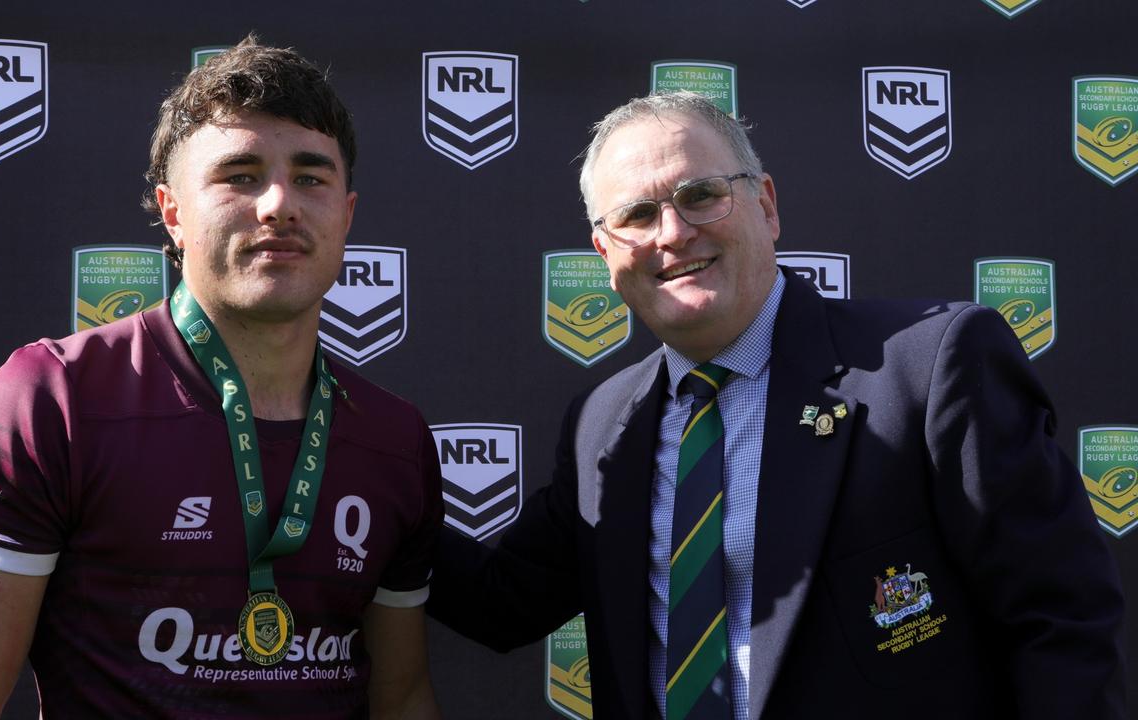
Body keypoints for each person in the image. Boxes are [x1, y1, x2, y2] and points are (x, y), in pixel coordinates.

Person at [427, 91, 1125, 719]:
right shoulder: (603, 421)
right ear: (606, 253)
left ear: (766, 204)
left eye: (700, 195)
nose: (672, 234)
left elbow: (1061, 622)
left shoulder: (934, 365)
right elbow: (503, 602)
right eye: (638, 215)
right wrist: (358, 474)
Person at [0, 37, 443, 719]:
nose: (279, 202)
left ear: (347, 215)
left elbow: (401, 698)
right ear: (173, 211)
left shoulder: (394, 439)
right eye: (240, 175)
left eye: (311, 177)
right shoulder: (51, 402)